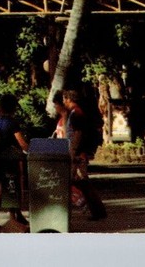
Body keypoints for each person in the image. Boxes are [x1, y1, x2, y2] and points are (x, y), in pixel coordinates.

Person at [0, 94, 30, 229]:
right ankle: (12, 219)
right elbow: (21, 142)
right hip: (11, 159)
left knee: (4, 186)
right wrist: (29, 150)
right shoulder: (13, 123)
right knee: (11, 187)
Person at [62, 90, 106, 221]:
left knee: (83, 183)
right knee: (83, 183)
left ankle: (97, 211)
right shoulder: (75, 113)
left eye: (64, 99)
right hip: (79, 153)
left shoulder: (77, 114)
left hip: (78, 154)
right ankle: (97, 210)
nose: (63, 102)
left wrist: (73, 152)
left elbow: (78, 134)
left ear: (69, 99)